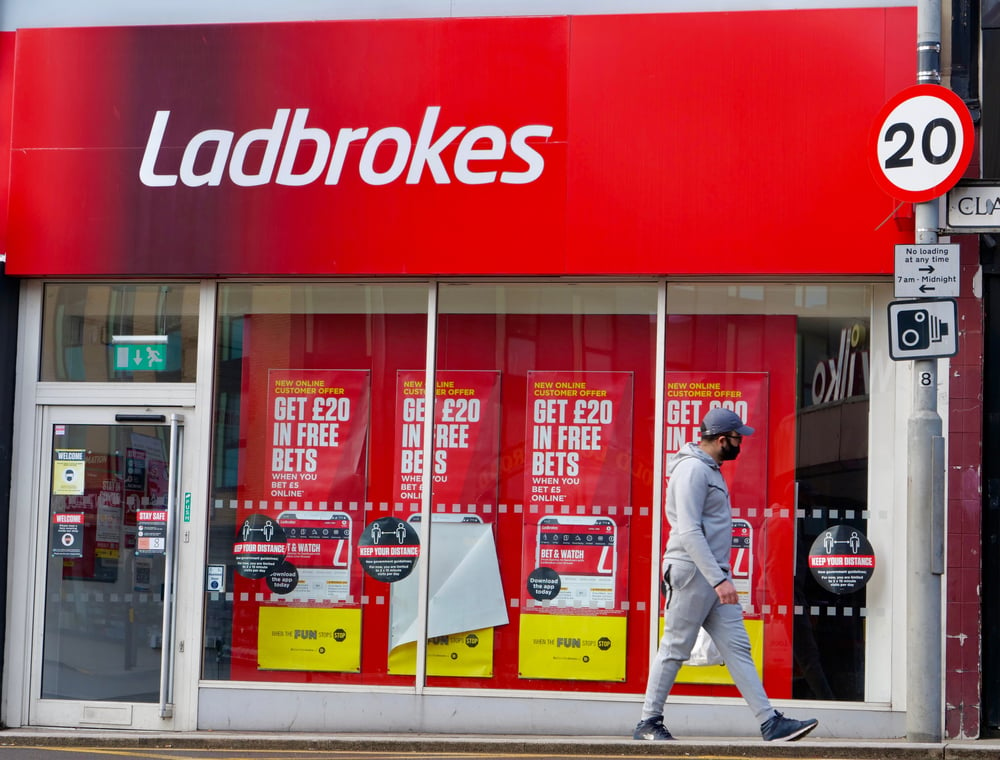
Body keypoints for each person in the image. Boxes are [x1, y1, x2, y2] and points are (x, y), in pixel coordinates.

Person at [633, 407, 819, 743]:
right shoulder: (692, 470)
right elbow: (688, 530)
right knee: (675, 647)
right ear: (722, 439)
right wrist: (719, 580)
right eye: (737, 439)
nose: (740, 444)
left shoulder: (708, 469)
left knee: (738, 649)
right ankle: (648, 721)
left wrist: (720, 577)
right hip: (692, 573)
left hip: (712, 574)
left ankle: (769, 722)